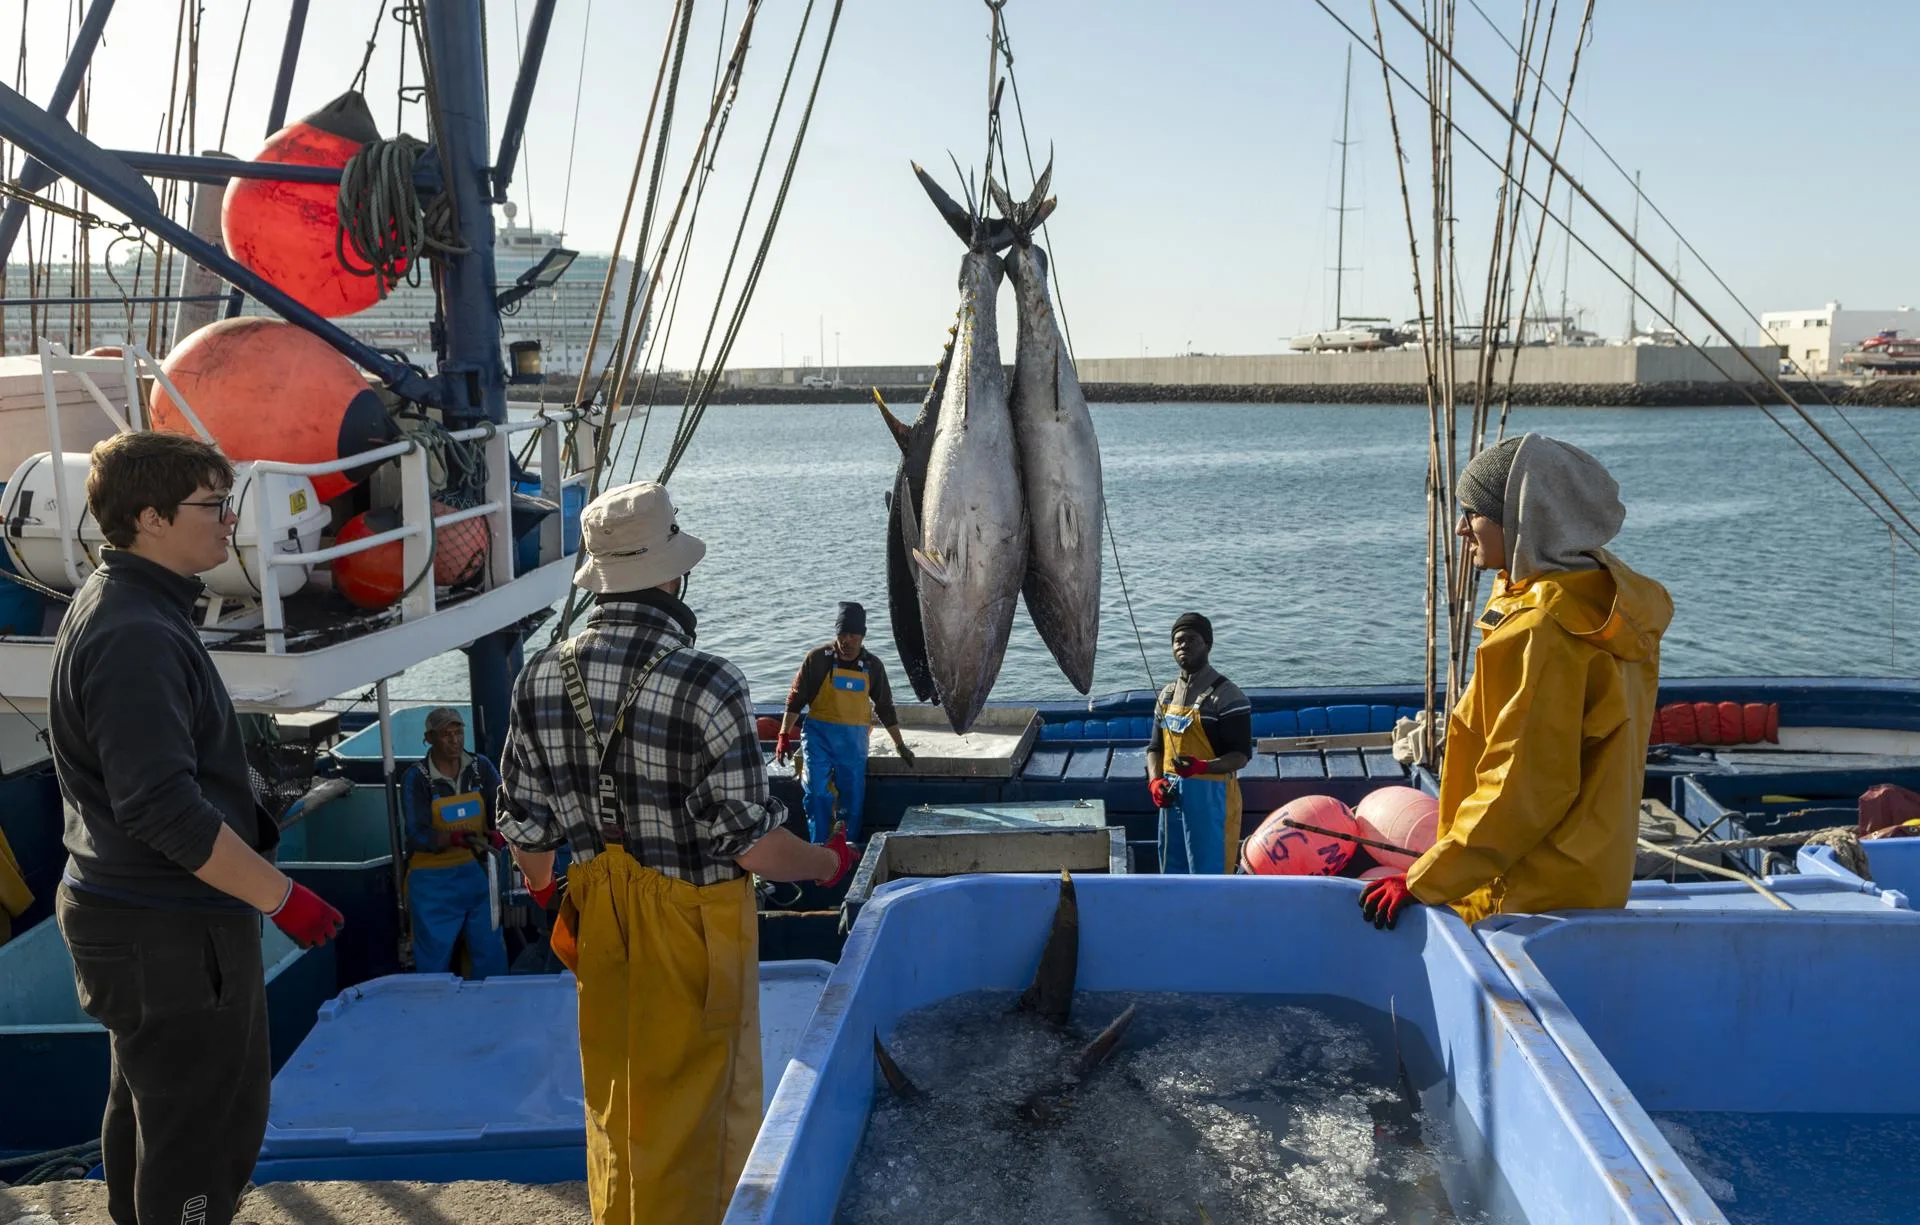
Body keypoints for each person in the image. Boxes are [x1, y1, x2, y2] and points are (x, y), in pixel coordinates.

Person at [496, 481, 857, 1225]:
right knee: (705, 1118)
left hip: (601, 924)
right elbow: (755, 845)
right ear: (672, 574)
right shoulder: (707, 680)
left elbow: (528, 842)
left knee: (616, 1102)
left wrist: (554, 895)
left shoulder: (538, 678)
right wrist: (828, 862)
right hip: (695, 932)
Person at [49, 432, 343, 1225]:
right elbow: (159, 806)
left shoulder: (124, 603)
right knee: (203, 1133)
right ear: (150, 517)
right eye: (212, 506)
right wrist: (284, 897)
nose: (229, 524)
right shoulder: (136, 633)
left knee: (149, 1111)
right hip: (170, 930)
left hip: (136, 918)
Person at [1361, 433, 1673, 930]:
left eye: (1474, 513)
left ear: (1522, 520)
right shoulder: (1608, 601)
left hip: (1524, 892)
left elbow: (1523, 787)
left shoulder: (1540, 630)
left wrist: (1425, 880)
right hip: (1587, 880)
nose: (1462, 529)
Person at [774, 601, 916, 843]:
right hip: (818, 739)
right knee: (817, 791)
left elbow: (885, 708)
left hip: (853, 744)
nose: (846, 641)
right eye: (842, 634)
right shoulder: (818, 659)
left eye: (853, 635)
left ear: (862, 636)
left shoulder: (872, 666)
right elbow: (795, 700)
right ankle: (818, 846)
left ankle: (846, 848)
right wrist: (783, 735)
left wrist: (899, 744)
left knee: (852, 797)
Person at [401, 706, 508, 978]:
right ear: (429, 738)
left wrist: (500, 831)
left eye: (458, 732)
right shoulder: (416, 777)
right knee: (433, 957)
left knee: (490, 950)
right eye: (446, 734)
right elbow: (417, 832)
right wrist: (451, 838)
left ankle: (493, 1004)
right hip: (432, 883)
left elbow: (502, 806)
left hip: (477, 873)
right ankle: (434, 1011)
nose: (454, 740)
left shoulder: (480, 767)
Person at [1145, 612, 1252, 874]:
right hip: (1172, 800)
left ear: (1208, 645)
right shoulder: (1167, 695)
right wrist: (1155, 781)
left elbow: (1240, 756)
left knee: (1210, 874)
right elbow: (1154, 749)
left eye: (1192, 639)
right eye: (1178, 641)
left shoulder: (1227, 696)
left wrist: (1201, 767)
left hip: (1211, 801)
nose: (1183, 645)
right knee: (1171, 872)